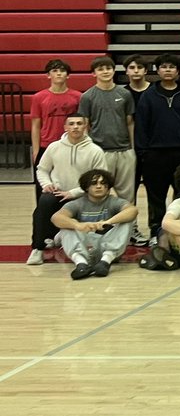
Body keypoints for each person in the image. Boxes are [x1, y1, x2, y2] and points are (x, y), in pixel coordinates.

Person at [135, 54, 180, 241]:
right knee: (155, 197)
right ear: (157, 70)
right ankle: (157, 232)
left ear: (178, 71)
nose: (167, 70)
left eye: (171, 67)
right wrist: (143, 153)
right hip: (155, 155)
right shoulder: (148, 96)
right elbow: (141, 126)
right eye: (163, 67)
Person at [27, 114, 107, 266]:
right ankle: (38, 248)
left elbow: (99, 177)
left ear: (85, 127)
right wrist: (46, 184)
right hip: (58, 193)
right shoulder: (53, 147)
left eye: (79, 123)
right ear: (65, 127)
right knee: (44, 203)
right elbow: (42, 169)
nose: (75, 127)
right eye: (71, 124)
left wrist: (74, 192)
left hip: (83, 195)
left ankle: (64, 237)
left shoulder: (95, 150)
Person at [51, 167, 137, 279]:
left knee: (126, 222)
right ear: (86, 187)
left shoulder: (114, 202)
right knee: (66, 225)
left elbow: (132, 210)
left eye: (103, 183)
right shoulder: (77, 203)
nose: (99, 186)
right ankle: (81, 264)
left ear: (108, 187)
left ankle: (105, 262)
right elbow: (56, 217)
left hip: (107, 247)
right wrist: (78, 225)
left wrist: (108, 222)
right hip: (84, 246)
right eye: (94, 183)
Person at [78, 56, 136, 202]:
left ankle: (130, 224)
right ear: (94, 73)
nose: (105, 72)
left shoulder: (125, 94)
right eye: (100, 69)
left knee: (127, 193)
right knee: (100, 191)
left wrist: (132, 149)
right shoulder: (87, 97)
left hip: (124, 151)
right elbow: (85, 125)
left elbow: (130, 123)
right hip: (100, 151)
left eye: (108, 68)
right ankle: (104, 223)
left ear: (114, 70)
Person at [29, 58, 81, 199]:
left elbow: (82, 123)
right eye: (55, 71)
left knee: (70, 182)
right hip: (46, 146)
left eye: (62, 71)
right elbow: (35, 125)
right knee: (44, 186)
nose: (59, 74)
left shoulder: (77, 97)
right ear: (48, 75)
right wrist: (35, 150)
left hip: (70, 145)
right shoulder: (38, 97)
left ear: (68, 75)